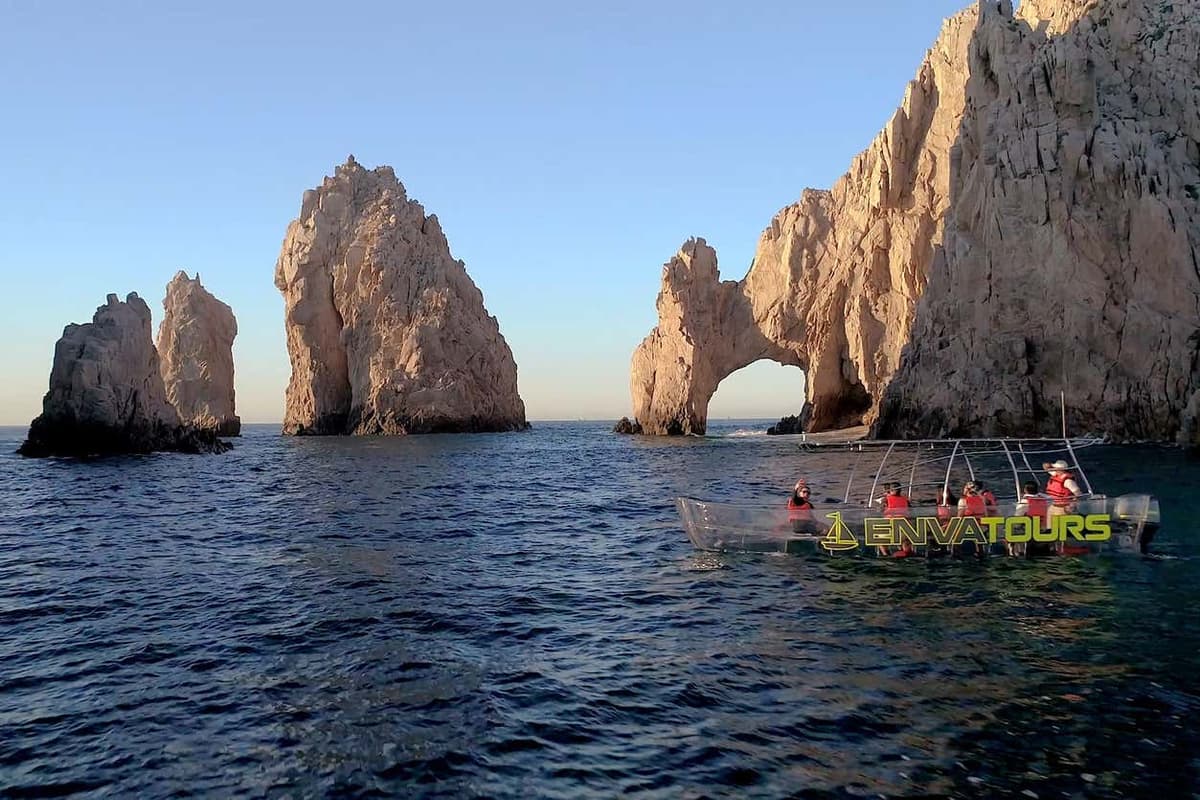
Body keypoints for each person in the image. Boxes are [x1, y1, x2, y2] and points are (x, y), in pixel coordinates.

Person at [1043, 460, 1086, 554]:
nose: (1053, 469)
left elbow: (1078, 494)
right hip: (1053, 506)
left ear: (1061, 469)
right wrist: (1050, 465)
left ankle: (1062, 547)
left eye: (1056, 468)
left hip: (1063, 508)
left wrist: (1072, 505)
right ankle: (1052, 547)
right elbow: (1045, 466)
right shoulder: (1055, 474)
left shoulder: (1068, 481)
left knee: (1060, 530)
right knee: (1050, 529)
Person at [1011, 480, 1049, 556]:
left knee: (1010, 529)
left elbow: (1017, 517)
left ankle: (1015, 552)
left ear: (1025, 490)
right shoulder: (1045, 499)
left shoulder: (1024, 502)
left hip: (1030, 531)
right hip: (1044, 528)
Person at [880, 482, 914, 558]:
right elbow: (911, 510)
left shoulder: (886, 499)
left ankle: (886, 556)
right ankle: (904, 555)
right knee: (904, 542)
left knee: (881, 541)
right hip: (903, 524)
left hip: (892, 524)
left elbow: (880, 509)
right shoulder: (905, 499)